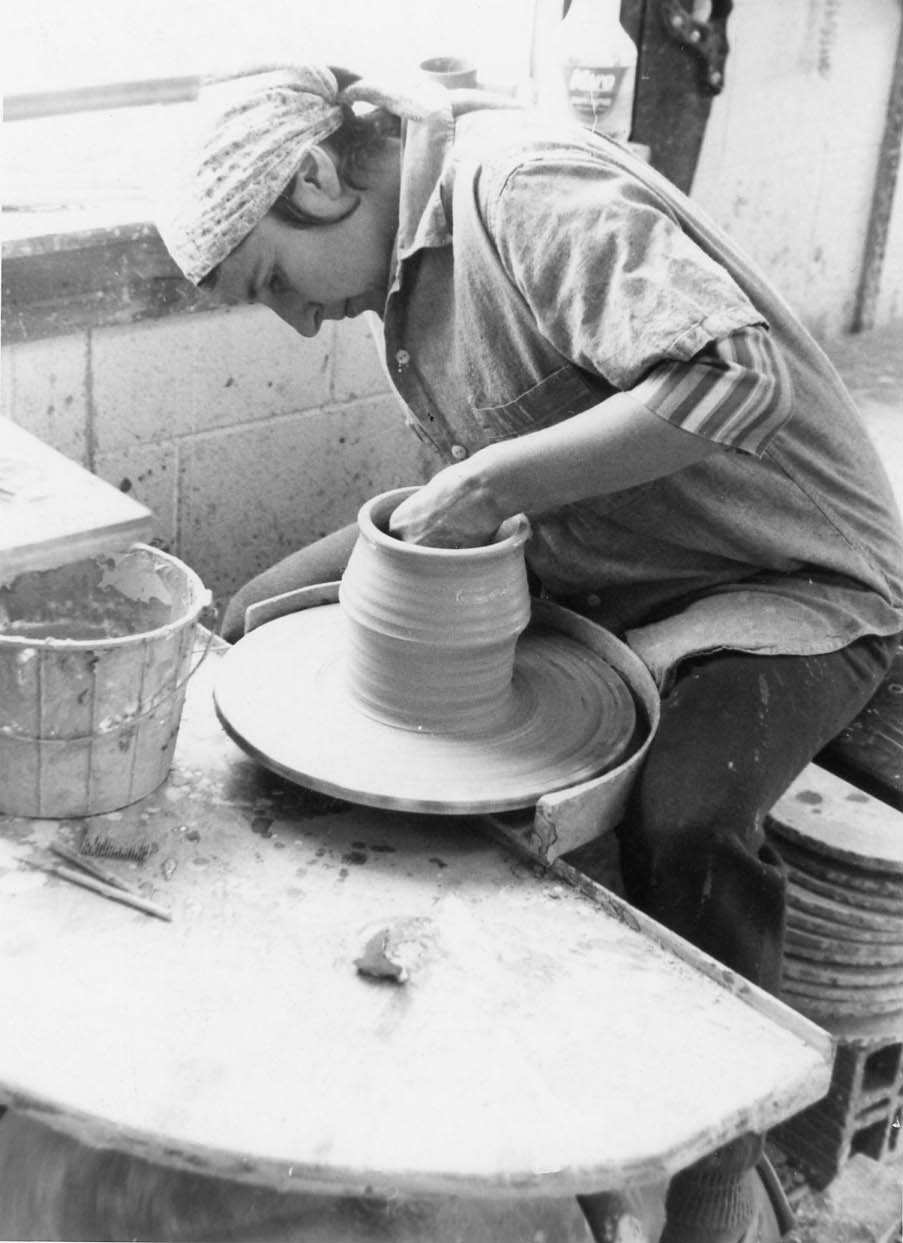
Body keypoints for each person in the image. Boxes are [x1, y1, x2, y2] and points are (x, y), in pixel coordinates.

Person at [154, 64, 903, 1243]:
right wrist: (466, 511)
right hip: (601, 543)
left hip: (779, 571)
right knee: (256, 622)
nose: (297, 322)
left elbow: (737, 377)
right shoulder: (402, 273)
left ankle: (720, 1171)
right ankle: (463, 1057)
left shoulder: (527, 191)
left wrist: (490, 484)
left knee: (685, 817)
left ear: (314, 177)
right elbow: (499, 481)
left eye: (275, 283)